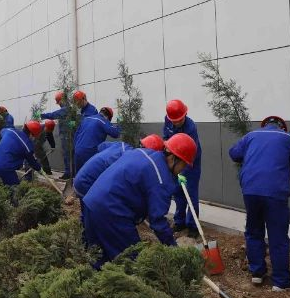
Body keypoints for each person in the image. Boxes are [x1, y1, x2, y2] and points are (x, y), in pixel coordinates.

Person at [82, 134, 193, 264]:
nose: (183, 170)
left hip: (91, 203)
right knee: (133, 262)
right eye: (184, 165)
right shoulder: (161, 179)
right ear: (174, 158)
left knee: (98, 259)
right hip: (112, 213)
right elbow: (158, 222)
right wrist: (174, 249)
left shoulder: (142, 153)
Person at [229, 116, 290, 290]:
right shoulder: (287, 137)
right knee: (278, 235)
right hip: (275, 192)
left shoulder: (251, 135)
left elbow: (234, 153)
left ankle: (257, 273)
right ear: (282, 128)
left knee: (253, 231)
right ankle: (281, 282)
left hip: (250, 190)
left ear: (264, 126)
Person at [162, 99, 201, 233]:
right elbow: (165, 138)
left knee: (190, 193)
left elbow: (193, 151)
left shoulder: (191, 127)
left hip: (190, 162)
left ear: (185, 114)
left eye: (179, 120)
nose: (177, 123)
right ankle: (179, 221)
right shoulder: (168, 120)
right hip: (174, 161)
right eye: (174, 121)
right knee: (178, 192)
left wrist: (184, 171)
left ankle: (193, 226)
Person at [0, 119, 42, 186]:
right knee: (15, 188)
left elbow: (2, 131)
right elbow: (32, 162)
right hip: (5, 169)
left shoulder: (9, 131)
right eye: (34, 136)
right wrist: (39, 168)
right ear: (31, 134)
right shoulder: (27, 146)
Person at [73, 104, 122, 175]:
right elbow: (116, 133)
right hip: (90, 152)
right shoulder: (103, 121)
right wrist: (120, 121)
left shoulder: (86, 119)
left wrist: (75, 147)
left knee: (79, 176)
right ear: (108, 117)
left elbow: (76, 134)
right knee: (91, 176)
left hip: (78, 151)